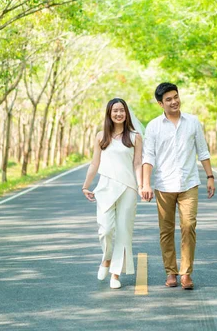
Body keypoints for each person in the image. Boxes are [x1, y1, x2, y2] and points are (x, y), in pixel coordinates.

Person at [141, 83, 215, 290]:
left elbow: (203, 150)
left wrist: (210, 176)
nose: (174, 102)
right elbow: (148, 157)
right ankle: (171, 271)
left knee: (189, 226)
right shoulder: (154, 126)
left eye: (175, 97)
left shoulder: (192, 122)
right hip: (164, 185)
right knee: (166, 230)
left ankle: (186, 273)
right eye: (168, 99)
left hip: (189, 182)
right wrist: (146, 183)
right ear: (160, 103)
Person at [81, 98, 143, 289]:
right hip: (105, 187)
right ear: (109, 113)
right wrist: (86, 185)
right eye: (115, 110)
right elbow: (94, 163)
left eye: (122, 110)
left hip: (128, 188)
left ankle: (115, 274)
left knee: (124, 232)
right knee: (105, 229)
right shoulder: (101, 136)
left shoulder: (134, 137)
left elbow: (138, 164)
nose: (118, 114)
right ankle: (106, 258)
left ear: (127, 113)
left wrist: (142, 186)